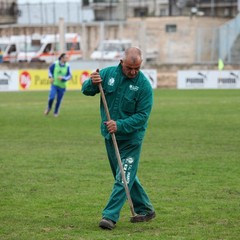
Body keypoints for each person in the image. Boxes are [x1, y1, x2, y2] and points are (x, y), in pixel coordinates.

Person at [82, 47, 155, 230]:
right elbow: (86, 90)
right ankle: (146, 209)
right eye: (130, 68)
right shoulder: (107, 74)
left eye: (137, 68)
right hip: (110, 136)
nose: (133, 72)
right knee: (124, 174)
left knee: (123, 176)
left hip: (131, 138)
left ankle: (110, 216)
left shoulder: (144, 86)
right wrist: (92, 82)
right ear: (122, 62)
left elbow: (142, 116)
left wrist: (120, 125)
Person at [44, 53, 72, 117]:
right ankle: (49, 108)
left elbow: (70, 76)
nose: (67, 59)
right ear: (62, 58)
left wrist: (63, 78)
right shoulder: (55, 64)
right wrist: (50, 77)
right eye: (66, 57)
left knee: (59, 100)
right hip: (55, 84)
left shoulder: (68, 66)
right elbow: (50, 70)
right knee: (51, 97)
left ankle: (56, 112)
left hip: (62, 86)